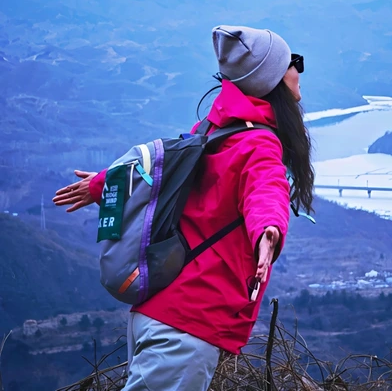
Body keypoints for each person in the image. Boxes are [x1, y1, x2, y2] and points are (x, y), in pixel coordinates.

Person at [53, 25, 314, 391]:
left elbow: (162, 172)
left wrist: (101, 184)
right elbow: (265, 190)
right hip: (186, 323)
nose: (299, 71)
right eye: (294, 62)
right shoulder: (259, 144)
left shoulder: (212, 130)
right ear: (269, 80)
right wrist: (268, 230)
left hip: (161, 311)